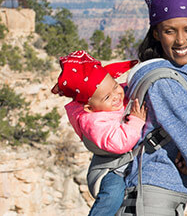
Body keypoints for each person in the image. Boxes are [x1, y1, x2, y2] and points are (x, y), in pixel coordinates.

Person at [116, 0, 187, 215]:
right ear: (156, 33)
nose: (181, 40)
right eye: (169, 31)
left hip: (155, 195)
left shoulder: (179, 77)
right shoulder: (165, 84)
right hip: (153, 197)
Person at [52, 50, 145, 216]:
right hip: (108, 171)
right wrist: (136, 121)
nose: (117, 95)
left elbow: (123, 89)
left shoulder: (110, 98)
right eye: (107, 97)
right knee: (113, 196)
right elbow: (118, 143)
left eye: (115, 85)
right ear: (89, 108)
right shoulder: (93, 122)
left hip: (124, 165)